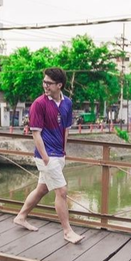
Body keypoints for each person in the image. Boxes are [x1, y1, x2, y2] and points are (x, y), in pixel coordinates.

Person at [13, 67, 84, 244]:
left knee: (42, 189)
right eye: (44, 82)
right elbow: (36, 134)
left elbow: (66, 130)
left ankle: (21, 217)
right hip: (46, 156)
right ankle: (67, 231)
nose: (45, 86)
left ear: (59, 85)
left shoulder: (67, 103)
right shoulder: (39, 104)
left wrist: (63, 152)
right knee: (62, 191)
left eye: (49, 83)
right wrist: (45, 158)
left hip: (59, 155)